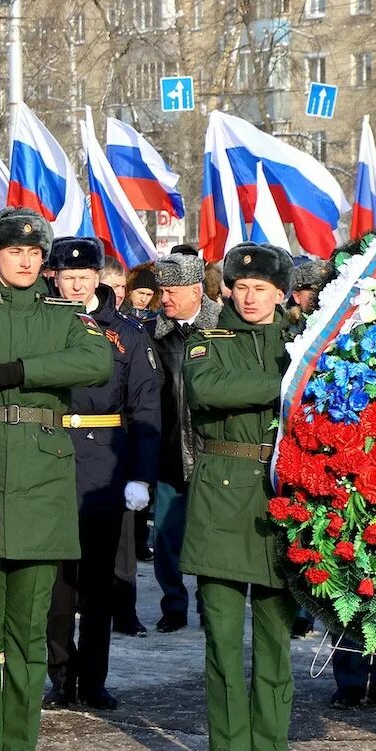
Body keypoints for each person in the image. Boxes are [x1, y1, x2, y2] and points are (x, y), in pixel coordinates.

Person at [0, 209, 113, 751]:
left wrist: (18, 370)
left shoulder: (65, 315)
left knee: (30, 634)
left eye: (34, 252)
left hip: (44, 483)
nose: (25, 260)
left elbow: (96, 362)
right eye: (13, 251)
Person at [182, 243, 311, 751]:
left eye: (262, 289)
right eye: (241, 287)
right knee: (223, 639)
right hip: (220, 496)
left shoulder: (302, 345)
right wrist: (290, 384)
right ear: (227, 289)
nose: (250, 296)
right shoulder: (205, 341)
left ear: (282, 294)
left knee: (277, 641)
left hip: (282, 504)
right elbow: (209, 392)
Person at [43, 238, 160, 712]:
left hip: (105, 464)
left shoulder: (126, 334)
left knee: (97, 582)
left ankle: (93, 679)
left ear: (99, 279)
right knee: (56, 584)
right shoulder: (42, 325)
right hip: (49, 458)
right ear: (54, 276)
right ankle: (61, 677)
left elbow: (146, 407)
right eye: (67, 276)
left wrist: (141, 475)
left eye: (85, 276)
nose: (75, 283)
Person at [150, 252, 218, 633]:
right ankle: (173, 603)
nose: (165, 299)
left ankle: (210, 604)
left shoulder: (224, 329)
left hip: (211, 455)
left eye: (171, 291)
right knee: (167, 536)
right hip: (169, 452)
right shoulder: (153, 334)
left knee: (209, 537)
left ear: (195, 291)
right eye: (162, 291)